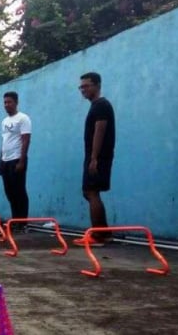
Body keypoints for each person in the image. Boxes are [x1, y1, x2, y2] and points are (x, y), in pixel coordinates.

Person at [74, 72, 115, 247]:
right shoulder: (97, 106)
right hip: (95, 156)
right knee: (90, 192)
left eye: (86, 86)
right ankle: (104, 232)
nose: (83, 90)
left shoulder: (101, 105)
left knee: (91, 192)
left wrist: (94, 158)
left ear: (97, 85)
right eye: (81, 87)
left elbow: (100, 130)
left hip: (98, 156)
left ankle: (98, 235)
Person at [0, 91, 32, 230]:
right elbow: (4, 141)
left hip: (17, 158)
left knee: (19, 191)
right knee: (9, 191)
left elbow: (26, 140)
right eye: (5, 102)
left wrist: (22, 161)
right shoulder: (4, 121)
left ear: (16, 102)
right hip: (6, 160)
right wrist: (0, 161)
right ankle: (15, 220)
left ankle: (22, 222)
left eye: (9, 102)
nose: (7, 105)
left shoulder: (23, 118)